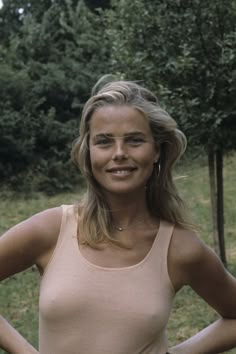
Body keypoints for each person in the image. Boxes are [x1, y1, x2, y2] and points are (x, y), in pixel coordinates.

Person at [0, 77, 236, 354]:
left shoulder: (179, 249)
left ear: (156, 150)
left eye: (135, 140)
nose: (120, 153)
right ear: (89, 151)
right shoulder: (50, 230)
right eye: (104, 142)